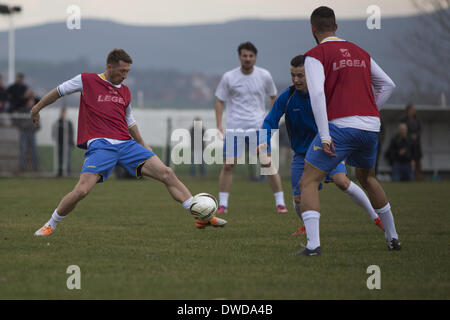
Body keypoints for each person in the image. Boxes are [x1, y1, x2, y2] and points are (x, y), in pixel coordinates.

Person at [31, 48, 226, 236]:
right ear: (110, 66)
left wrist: (143, 143)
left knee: (167, 173)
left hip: (126, 144)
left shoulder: (125, 91)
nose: (125, 75)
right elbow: (58, 91)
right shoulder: (86, 80)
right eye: (122, 71)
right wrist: (37, 107)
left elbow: (130, 121)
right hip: (101, 145)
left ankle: (200, 215)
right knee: (82, 190)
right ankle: (51, 224)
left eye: (127, 72)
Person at [298, 6, 401, 256]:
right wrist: (370, 111)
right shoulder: (360, 52)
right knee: (367, 178)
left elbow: (318, 94)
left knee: (308, 182)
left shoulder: (315, 54)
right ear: (336, 27)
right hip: (370, 127)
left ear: (313, 28)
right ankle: (393, 237)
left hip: (340, 127)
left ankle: (313, 246)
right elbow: (388, 85)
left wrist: (324, 135)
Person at [261, 55, 384, 236]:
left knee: (342, 181)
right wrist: (265, 146)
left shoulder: (326, 95)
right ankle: (306, 227)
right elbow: (269, 121)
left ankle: (376, 217)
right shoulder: (287, 97)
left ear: (310, 74)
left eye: (300, 76)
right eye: (293, 75)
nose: (296, 80)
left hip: (328, 150)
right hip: (302, 155)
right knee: (297, 199)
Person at [215, 41, 288, 214]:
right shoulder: (229, 77)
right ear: (239, 57)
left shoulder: (265, 76)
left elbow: (274, 97)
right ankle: (223, 204)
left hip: (258, 127)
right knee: (228, 165)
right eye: (244, 56)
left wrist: (269, 119)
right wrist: (219, 124)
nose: (247, 59)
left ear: (255, 57)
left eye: (250, 56)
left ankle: (280, 203)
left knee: (267, 163)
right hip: (235, 127)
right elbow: (219, 100)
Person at [18, 94, 40, 172]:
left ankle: (37, 167)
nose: (31, 102)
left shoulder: (35, 111)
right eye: (30, 101)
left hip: (31, 133)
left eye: (32, 101)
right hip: (24, 132)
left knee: (34, 150)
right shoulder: (23, 110)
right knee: (23, 150)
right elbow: (18, 121)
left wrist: (35, 127)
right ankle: (22, 167)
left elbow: (40, 100)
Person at [401, 103, 423, 181]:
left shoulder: (417, 119)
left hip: (416, 145)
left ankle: (419, 179)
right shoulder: (404, 119)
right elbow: (402, 131)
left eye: (415, 110)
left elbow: (420, 130)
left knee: (418, 163)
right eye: (413, 109)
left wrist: (416, 135)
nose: (414, 111)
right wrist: (410, 136)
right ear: (408, 110)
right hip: (408, 145)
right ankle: (411, 178)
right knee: (409, 163)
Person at [52, 107, 75, 177]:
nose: (63, 114)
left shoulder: (68, 123)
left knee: (67, 158)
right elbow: (54, 133)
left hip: (67, 144)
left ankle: (67, 171)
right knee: (60, 158)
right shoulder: (58, 122)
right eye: (62, 113)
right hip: (60, 143)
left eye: (64, 113)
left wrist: (71, 142)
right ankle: (60, 171)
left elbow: (71, 133)